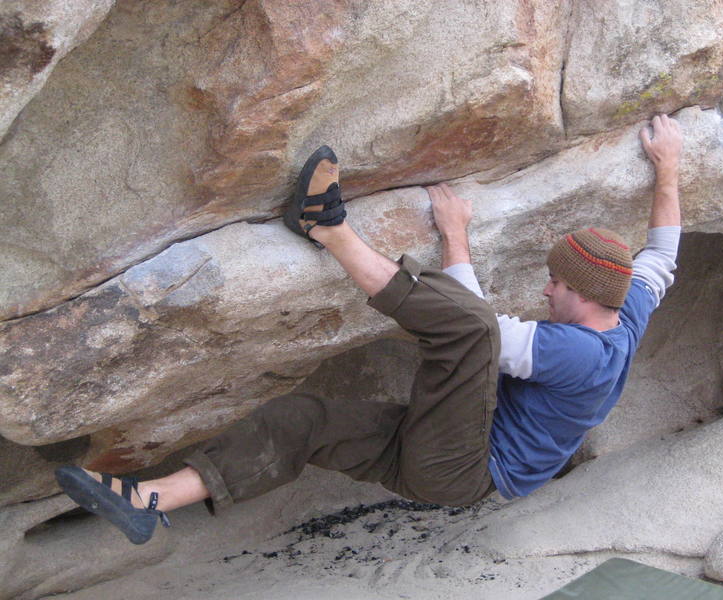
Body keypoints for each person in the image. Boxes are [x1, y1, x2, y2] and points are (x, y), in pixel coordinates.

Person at [56, 114, 683, 545]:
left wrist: (457, 234)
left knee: (471, 332)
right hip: (437, 454)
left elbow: (475, 327)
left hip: (466, 467)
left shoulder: (578, 353)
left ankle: (325, 225)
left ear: (583, 295)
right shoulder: (627, 306)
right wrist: (669, 165)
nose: (547, 289)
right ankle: (147, 503)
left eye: (557, 284)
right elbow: (663, 251)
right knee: (300, 420)